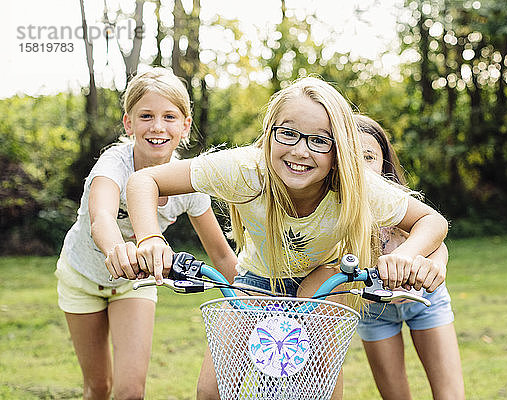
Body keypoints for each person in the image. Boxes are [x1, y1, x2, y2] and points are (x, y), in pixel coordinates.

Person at [124, 76, 449, 400]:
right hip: (258, 277)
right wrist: (150, 238)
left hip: (324, 275)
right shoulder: (245, 169)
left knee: (318, 381)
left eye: (320, 141)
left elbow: (431, 221)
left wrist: (406, 255)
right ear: (269, 134)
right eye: (288, 134)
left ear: (339, 150)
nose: (300, 151)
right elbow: (144, 181)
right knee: (212, 390)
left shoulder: (354, 184)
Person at [55, 67, 238, 400]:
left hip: (132, 286)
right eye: (146, 116)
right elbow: (102, 218)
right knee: (99, 388)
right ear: (129, 124)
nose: (157, 126)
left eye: (169, 117)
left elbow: (222, 254)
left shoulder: (190, 182)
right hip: (82, 277)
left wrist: (255, 297)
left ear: (185, 126)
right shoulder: (113, 164)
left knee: (130, 393)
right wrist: (117, 249)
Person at [355, 114, 465, 400]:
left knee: (450, 396)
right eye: (352, 156)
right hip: (374, 311)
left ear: (383, 162)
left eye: (369, 156)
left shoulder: (397, 202)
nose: (362, 166)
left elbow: (436, 240)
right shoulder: (332, 211)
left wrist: (438, 265)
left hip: (425, 301)